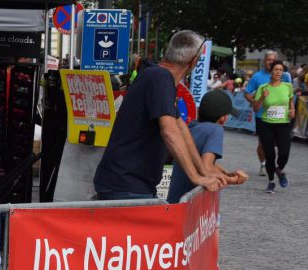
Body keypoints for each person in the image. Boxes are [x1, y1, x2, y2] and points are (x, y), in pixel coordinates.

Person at [93, 30, 227, 200]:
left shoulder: (156, 75)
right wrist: (195, 177)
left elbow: (181, 128)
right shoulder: (160, 78)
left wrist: (204, 170)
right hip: (126, 184)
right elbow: (170, 132)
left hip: (128, 182)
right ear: (193, 61)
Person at [167, 91, 249, 203]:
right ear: (223, 118)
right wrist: (235, 180)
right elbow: (206, 168)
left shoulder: (190, 127)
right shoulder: (215, 130)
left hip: (174, 201)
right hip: (188, 205)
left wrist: (226, 172)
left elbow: (200, 161)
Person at [245, 51, 292, 175]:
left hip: (281, 117)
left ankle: (277, 165)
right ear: (264, 61)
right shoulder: (257, 76)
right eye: (268, 60)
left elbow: (289, 95)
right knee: (263, 143)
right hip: (262, 115)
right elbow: (247, 93)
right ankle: (263, 164)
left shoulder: (285, 76)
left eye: (272, 60)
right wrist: (256, 102)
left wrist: (291, 109)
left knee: (280, 144)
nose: (270, 62)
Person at [252, 60, 295, 193]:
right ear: (271, 72)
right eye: (275, 69)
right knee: (270, 155)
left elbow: (290, 101)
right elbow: (255, 108)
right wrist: (261, 98)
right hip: (266, 124)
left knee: (284, 153)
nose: (278, 72)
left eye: (280, 70)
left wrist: (292, 110)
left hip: (283, 124)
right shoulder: (263, 87)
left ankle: (279, 170)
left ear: (283, 72)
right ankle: (271, 181)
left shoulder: (288, 86)